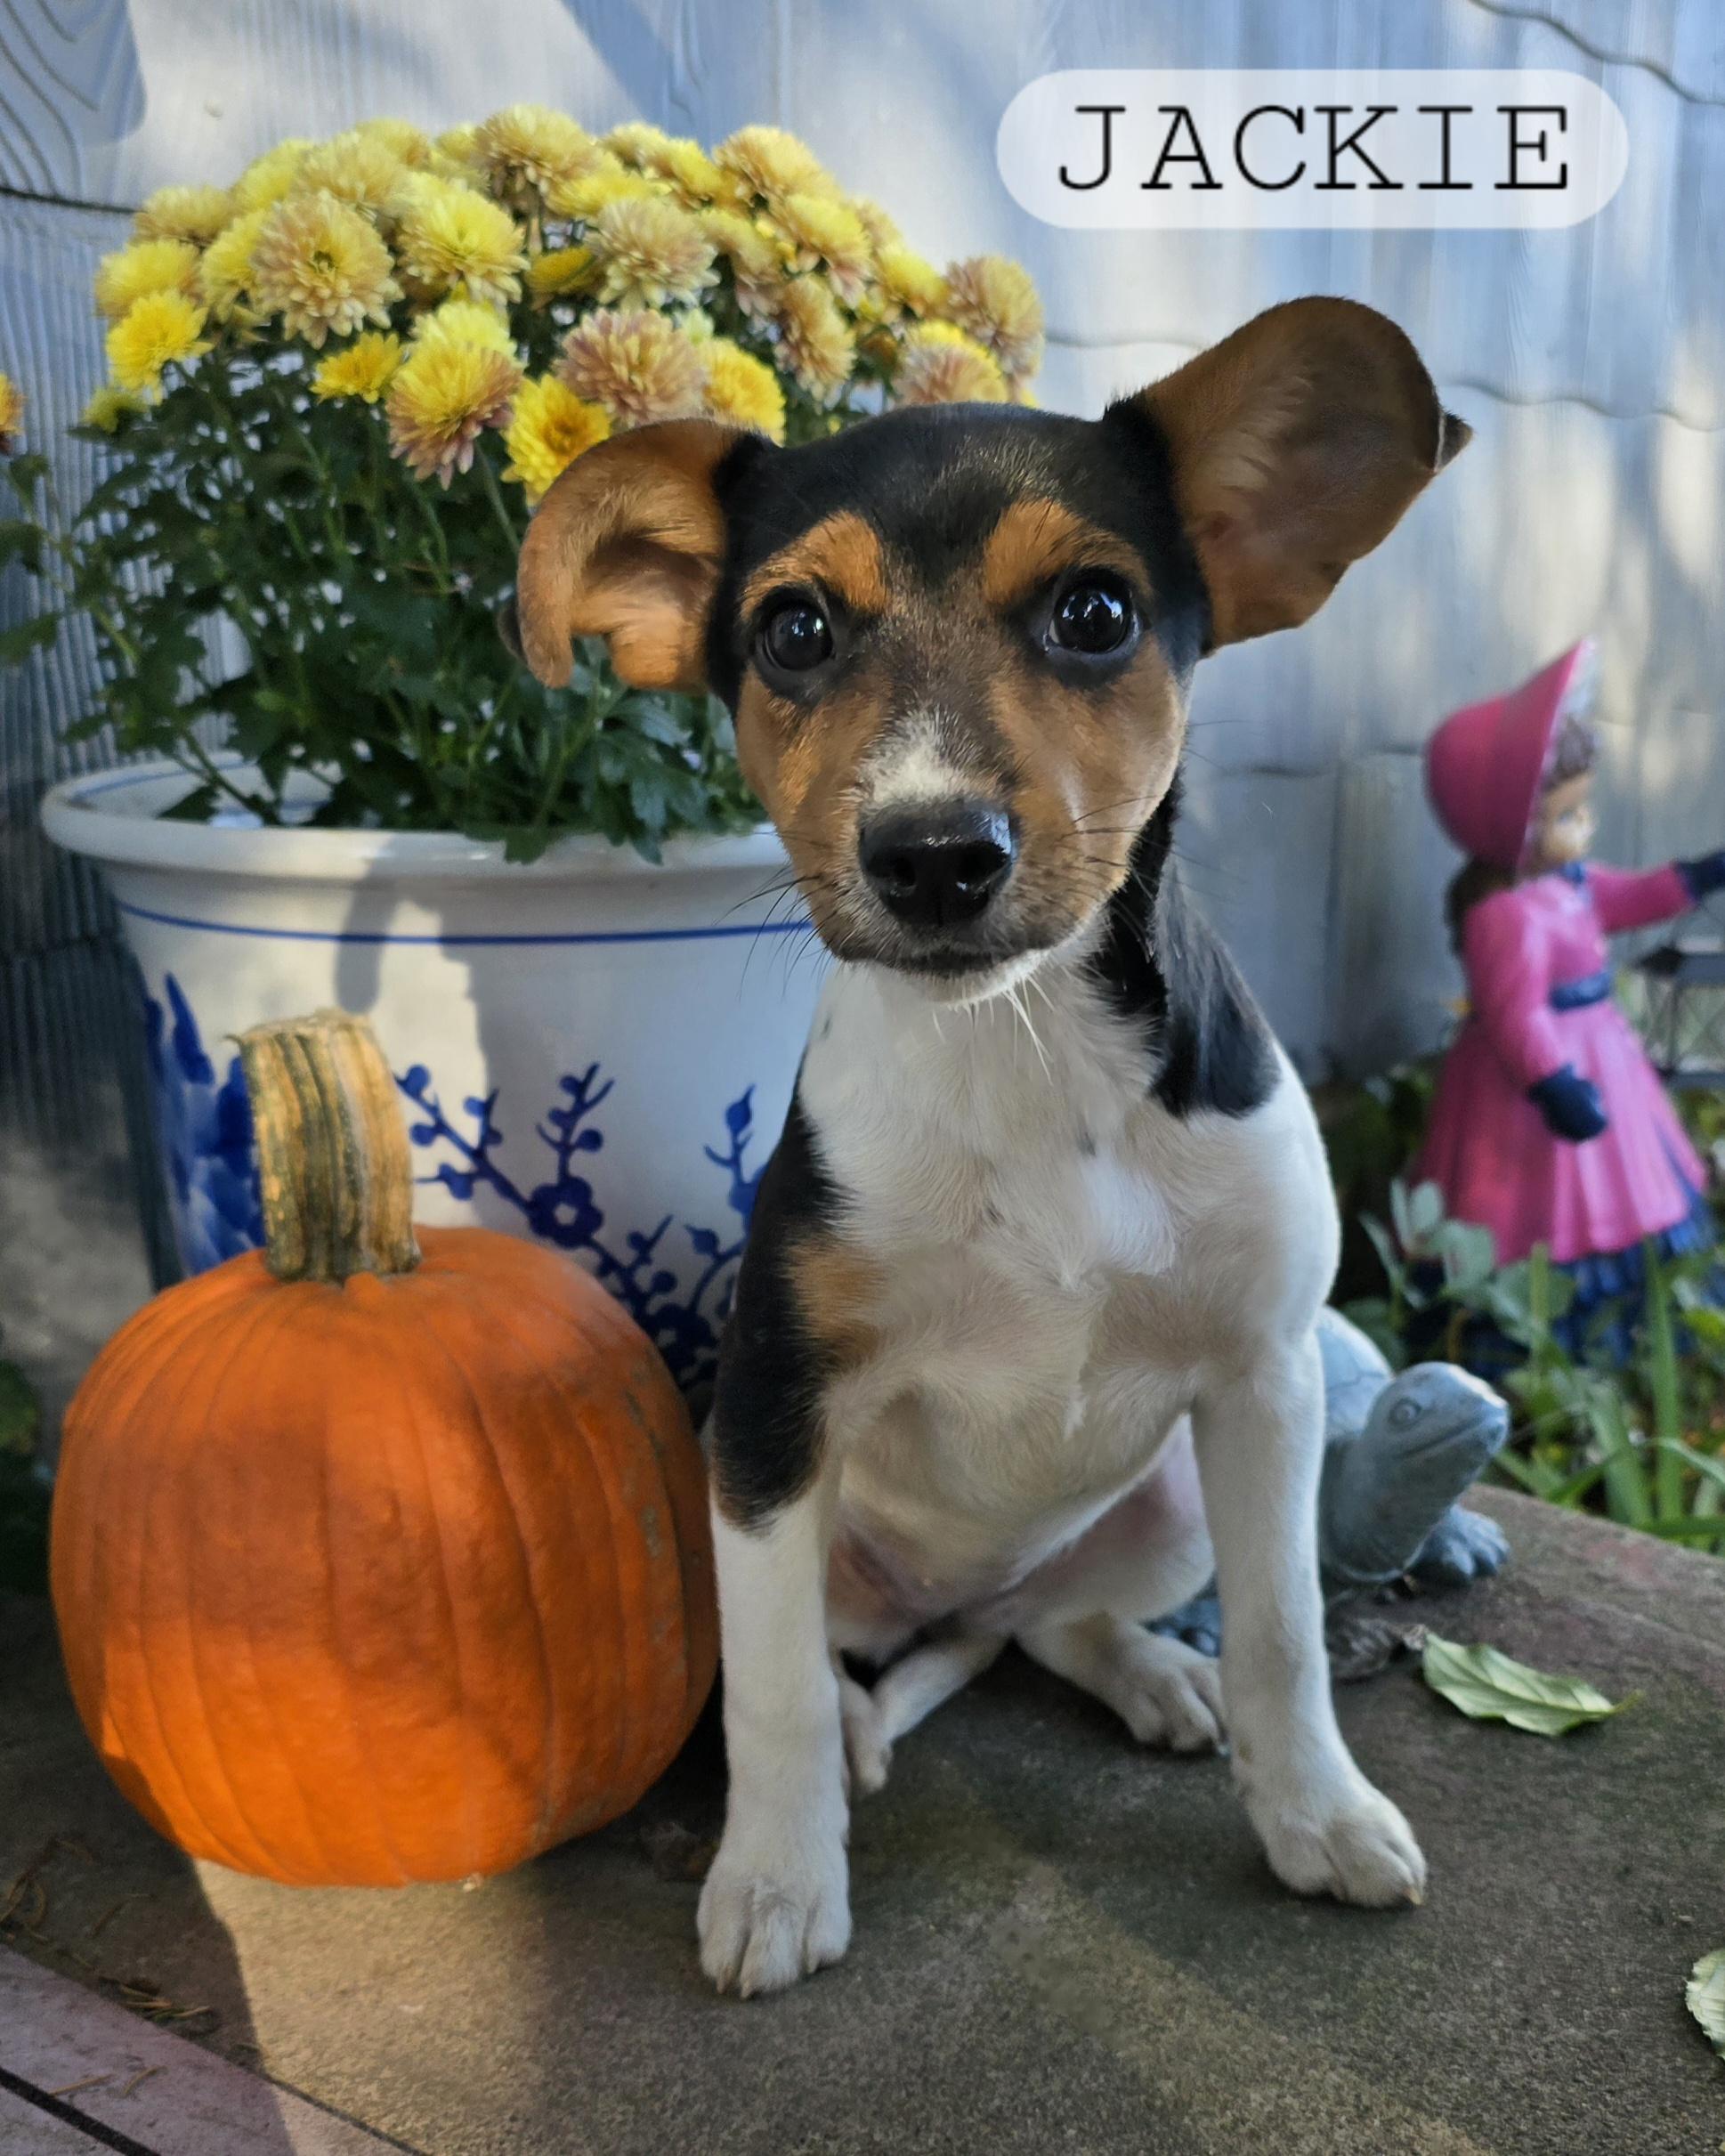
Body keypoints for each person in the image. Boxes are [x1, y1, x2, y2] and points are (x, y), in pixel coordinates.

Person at [1414, 638, 1725, 1357]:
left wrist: (1698, 876)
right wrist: (1554, 1083)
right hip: (1535, 1089)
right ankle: (1528, 1340)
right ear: (1515, 829)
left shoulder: (1569, 886)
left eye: (1581, 812)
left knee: (1630, 1186)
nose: (1583, 829)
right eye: (1565, 817)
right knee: (1541, 1208)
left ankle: (1645, 1328)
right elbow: (1515, 1013)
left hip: (1604, 1060)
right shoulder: (1506, 915)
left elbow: (1632, 895)